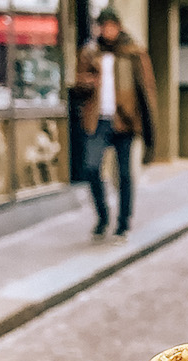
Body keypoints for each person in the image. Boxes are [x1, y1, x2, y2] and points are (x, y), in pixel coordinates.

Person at [72, 6, 157, 243]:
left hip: (125, 121)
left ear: (118, 26)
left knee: (124, 175)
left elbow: (146, 90)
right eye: (103, 25)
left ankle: (123, 224)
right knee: (90, 167)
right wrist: (88, 82)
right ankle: (102, 216)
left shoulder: (134, 52)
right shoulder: (90, 52)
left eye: (111, 25)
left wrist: (147, 125)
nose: (107, 30)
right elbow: (77, 85)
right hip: (97, 121)